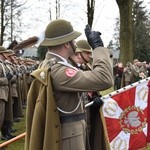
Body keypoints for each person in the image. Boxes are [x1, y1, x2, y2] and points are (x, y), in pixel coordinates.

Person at [25, 19, 113, 150]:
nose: (76, 44)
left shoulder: (51, 65)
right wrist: (98, 48)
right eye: (74, 41)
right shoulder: (59, 71)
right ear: (67, 44)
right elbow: (104, 79)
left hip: (71, 133)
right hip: (71, 139)